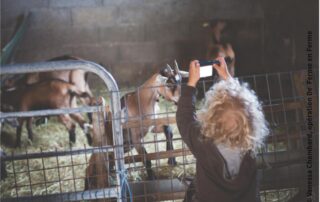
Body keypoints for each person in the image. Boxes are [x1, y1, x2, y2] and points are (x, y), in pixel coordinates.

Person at [176, 57, 268, 202]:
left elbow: (184, 120)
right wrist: (229, 79)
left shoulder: (203, 143)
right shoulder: (251, 148)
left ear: (210, 119)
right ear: (251, 121)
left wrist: (191, 84)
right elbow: (245, 110)